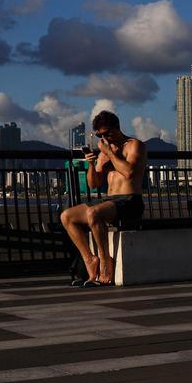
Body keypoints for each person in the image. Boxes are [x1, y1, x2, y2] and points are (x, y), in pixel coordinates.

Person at [59, 110, 147, 285]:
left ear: (117, 127)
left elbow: (129, 172)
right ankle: (90, 259)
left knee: (93, 213)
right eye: (100, 135)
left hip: (130, 200)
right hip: (109, 201)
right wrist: (92, 163)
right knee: (66, 216)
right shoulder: (104, 152)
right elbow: (94, 183)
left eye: (107, 133)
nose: (105, 138)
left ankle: (106, 263)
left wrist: (110, 153)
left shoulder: (134, 145)